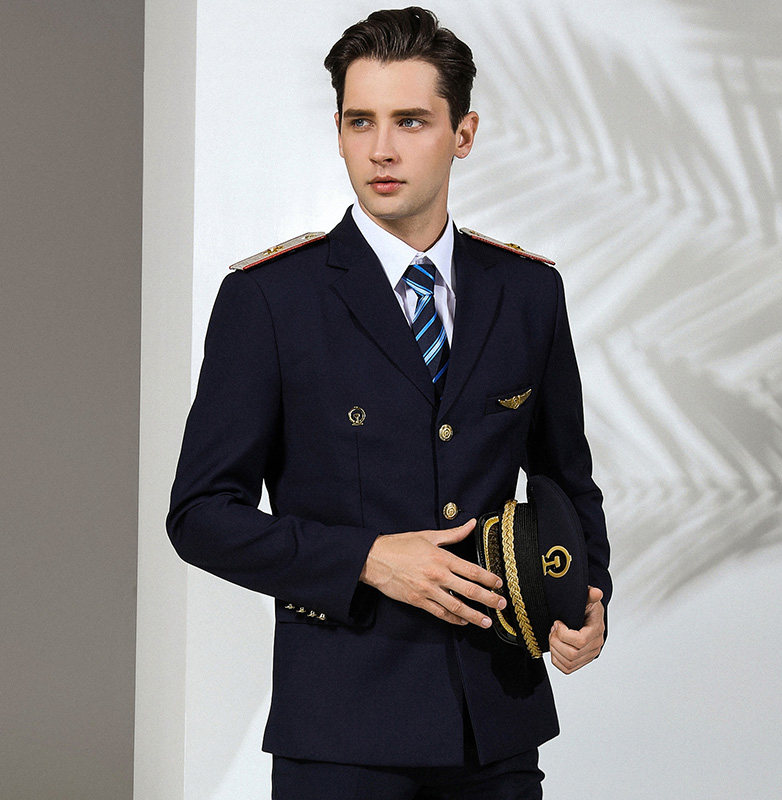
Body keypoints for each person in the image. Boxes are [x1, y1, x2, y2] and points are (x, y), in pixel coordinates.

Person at [167, 7, 611, 798]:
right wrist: (366, 559)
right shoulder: (270, 301)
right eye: (359, 121)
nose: (380, 149)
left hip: (496, 723)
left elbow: (566, 481)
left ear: (463, 133)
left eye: (410, 121)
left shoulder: (528, 293)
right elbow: (201, 515)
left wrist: (586, 592)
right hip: (341, 732)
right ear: (338, 133)